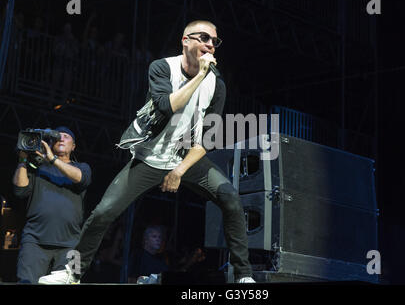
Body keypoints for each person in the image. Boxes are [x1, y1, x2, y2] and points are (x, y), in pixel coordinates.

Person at [38, 20, 255, 284]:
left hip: (185, 158)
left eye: (214, 41)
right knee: (104, 212)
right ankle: (72, 274)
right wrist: (199, 76)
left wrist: (179, 170)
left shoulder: (217, 84)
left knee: (230, 197)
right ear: (185, 40)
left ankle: (244, 277)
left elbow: (207, 139)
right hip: (149, 158)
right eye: (204, 38)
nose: (210, 44)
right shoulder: (163, 67)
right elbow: (166, 106)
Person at [12, 126, 92, 284]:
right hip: (34, 240)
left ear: (73, 146)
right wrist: (23, 160)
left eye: (66, 137)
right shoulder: (38, 167)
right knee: (26, 282)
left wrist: (52, 159)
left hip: (73, 244)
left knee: (73, 282)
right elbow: (19, 190)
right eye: (57, 137)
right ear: (50, 143)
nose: (61, 139)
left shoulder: (82, 167)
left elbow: (82, 179)